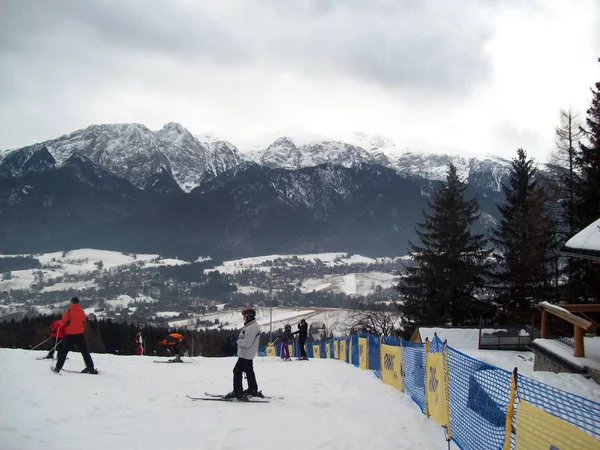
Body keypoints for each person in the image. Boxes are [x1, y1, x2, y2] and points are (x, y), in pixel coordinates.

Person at [225, 307, 263, 399]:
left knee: (237, 371)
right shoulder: (250, 326)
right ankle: (252, 389)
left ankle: (237, 391)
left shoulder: (251, 327)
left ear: (249, 317)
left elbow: (247, 343)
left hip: (246, 354)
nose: (243, 318)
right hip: (247, 353)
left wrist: (237, 341)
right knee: (249, 371)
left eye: (245, 316)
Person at [53, 297, 98, 374]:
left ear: (72, 302)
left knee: (64, 351)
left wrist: (59, 324)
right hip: (79, 334)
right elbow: (84, 323)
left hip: (69, 334)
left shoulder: (69, 311)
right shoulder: (81, 311)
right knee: (84, 351)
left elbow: (63, 322)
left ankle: (58, 368)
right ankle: (91, 368)